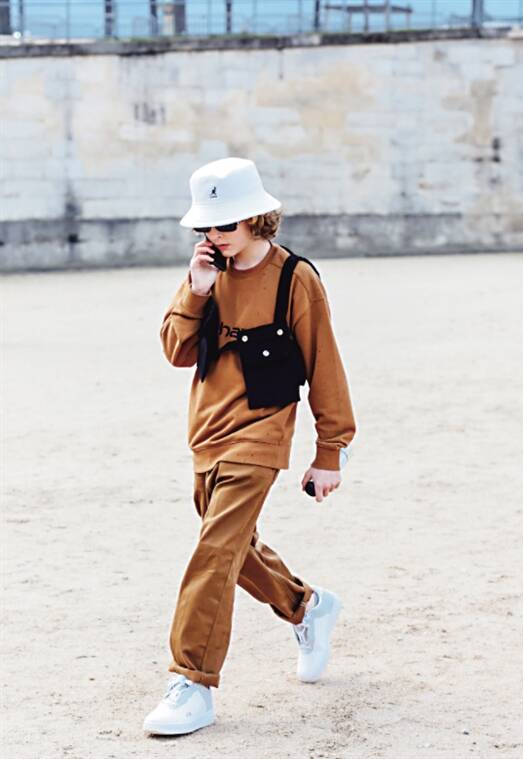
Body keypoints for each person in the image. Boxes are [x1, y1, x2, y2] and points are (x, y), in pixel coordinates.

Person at [143, 157, 356, 736]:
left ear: (257, 218)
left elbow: (325, 364)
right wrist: (196, 291)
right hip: (206, 434)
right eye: (206, 227)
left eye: (226, 225)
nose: (214, 236)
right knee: (233, 550)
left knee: (213, 554)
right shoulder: (204, 273)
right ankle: (307, 606)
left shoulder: (295, 278)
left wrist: (330, 451)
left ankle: (192, 683)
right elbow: (176, 351)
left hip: (261, 435)